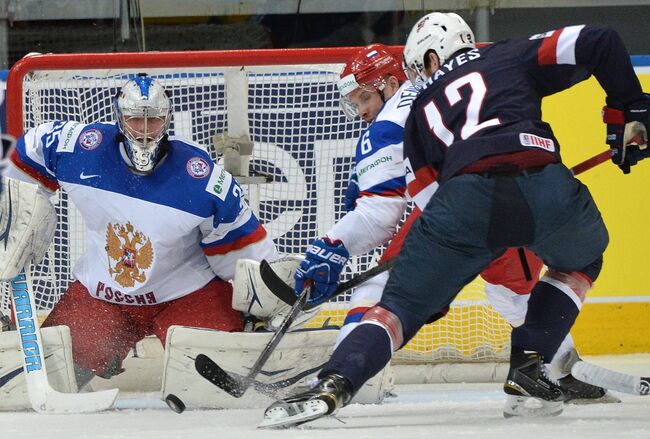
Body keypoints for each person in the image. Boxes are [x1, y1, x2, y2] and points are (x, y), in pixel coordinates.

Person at [261, 13, 647, 427]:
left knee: (394, 303)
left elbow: (428, 201)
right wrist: (629, 110)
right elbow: (599, 40)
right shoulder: (507, 55)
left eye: (363, 99)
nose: (360, 111)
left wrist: (434, 276)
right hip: (543, 186)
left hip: (463, 208)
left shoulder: (417, 107)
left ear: (428, 60)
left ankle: (337, 380)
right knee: (571, 264)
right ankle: (536, 365)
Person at [3, 73, 278, 385]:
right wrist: (16, 201)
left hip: (185, 293)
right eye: (136, 119)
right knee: (54, 376)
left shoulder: (201, 179)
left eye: (155, 120)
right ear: (120, 118)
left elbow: (245, 248)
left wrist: (267, 300)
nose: (145, 131)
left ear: (167, 119)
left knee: (223, 378)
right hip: (105, 295)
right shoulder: (83, 149)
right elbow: (32, 146)